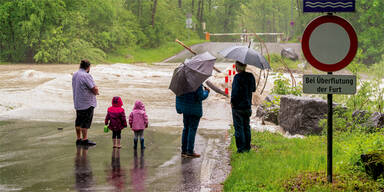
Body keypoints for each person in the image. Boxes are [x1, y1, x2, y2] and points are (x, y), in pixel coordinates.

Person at [176, 85, 209, 158]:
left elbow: (179, 96)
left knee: (186, 128)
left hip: (185, 109)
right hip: (195, 110)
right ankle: (190, 151)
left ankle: (184, 151)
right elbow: (200, 97)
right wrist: (206, 92)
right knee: (192, 129)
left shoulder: (182, 83)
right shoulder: (196, 84)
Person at [72, 59, 99, 146]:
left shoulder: (75, 74)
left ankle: (78, 139)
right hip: (87, 102)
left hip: (78, 101)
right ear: (88, 67)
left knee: (78, 121)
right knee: (85, 122)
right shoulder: (86, 76)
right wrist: (96, 92)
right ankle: (85, 139)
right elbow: (94, 88)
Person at [231, 61, 256, 153]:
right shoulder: (251, 76)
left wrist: (232, 103)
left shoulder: (237, 78)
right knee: (246, 127)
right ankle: (247, 148)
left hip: (238, 107)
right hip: (247, 106)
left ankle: (241, 149)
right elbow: (253, 89)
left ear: (237, 67)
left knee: (239, 128)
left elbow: (234, 93)